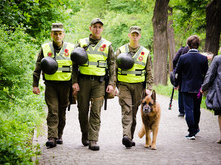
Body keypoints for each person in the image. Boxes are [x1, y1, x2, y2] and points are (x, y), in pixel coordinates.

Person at [72, 18, 116, 151]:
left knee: (96, 111)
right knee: (82, 111)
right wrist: (74, 82)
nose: (97, 29)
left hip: (99, 82)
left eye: (99, 27)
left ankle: (93, 139)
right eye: (95, 26)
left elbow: (113, 65)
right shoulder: (81, 43)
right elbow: (74, 64)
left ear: (102, 29)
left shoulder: (107, 45)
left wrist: (112, 83)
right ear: (90, 28)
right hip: (83, 81)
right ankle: (85, 135)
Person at [33, 23, 74, 148]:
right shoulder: (45, 48)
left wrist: (76, 84)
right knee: (53, 111)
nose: (57, 36)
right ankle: (52, 137)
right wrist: (35, 84)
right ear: (51, 34)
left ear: (63, 34)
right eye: (55, 33)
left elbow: (77, 68)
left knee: (61, 111)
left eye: (60, 33)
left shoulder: (71, 48)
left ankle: (59, 134)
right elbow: (38, 67)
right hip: (50, 85)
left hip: (66, 85)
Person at [115, 26, 153, 148]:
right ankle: (126, 136)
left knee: (134, 112)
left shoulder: (145, 52)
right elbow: (114, 69)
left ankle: (129, 137)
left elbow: (149, 71)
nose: (135, 37)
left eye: (137, 35)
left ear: (140, 36)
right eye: (133, 34)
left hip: (139, 87)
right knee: (127, 109)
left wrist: (149, 87)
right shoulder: (121, 50)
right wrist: (113, 85)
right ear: (129, 36)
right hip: (124, 85)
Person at [175, 35, 208, 140]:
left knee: (188, 109)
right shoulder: (203, 58)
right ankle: (196, 128)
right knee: (197, 109)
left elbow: (177, 73)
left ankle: (191, 132)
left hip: (186, 87)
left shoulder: (183, 58)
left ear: (188, 45)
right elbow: (206, 73)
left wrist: (176, 83)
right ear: (198, 45)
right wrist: (204, 86)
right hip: (198, 88)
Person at [201, 55, 221, 144]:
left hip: (220, 89)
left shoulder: (218, 59)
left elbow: (210, 74)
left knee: (220, 113)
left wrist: (204, 87)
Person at [173, 46, 189, 117]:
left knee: (181, 91)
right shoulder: (194, 51)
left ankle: (181, 111)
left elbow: (174, 60)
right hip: (190, 73)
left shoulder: (182, 49)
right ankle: (187, 109)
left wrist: (175, 70)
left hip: (181, 73)